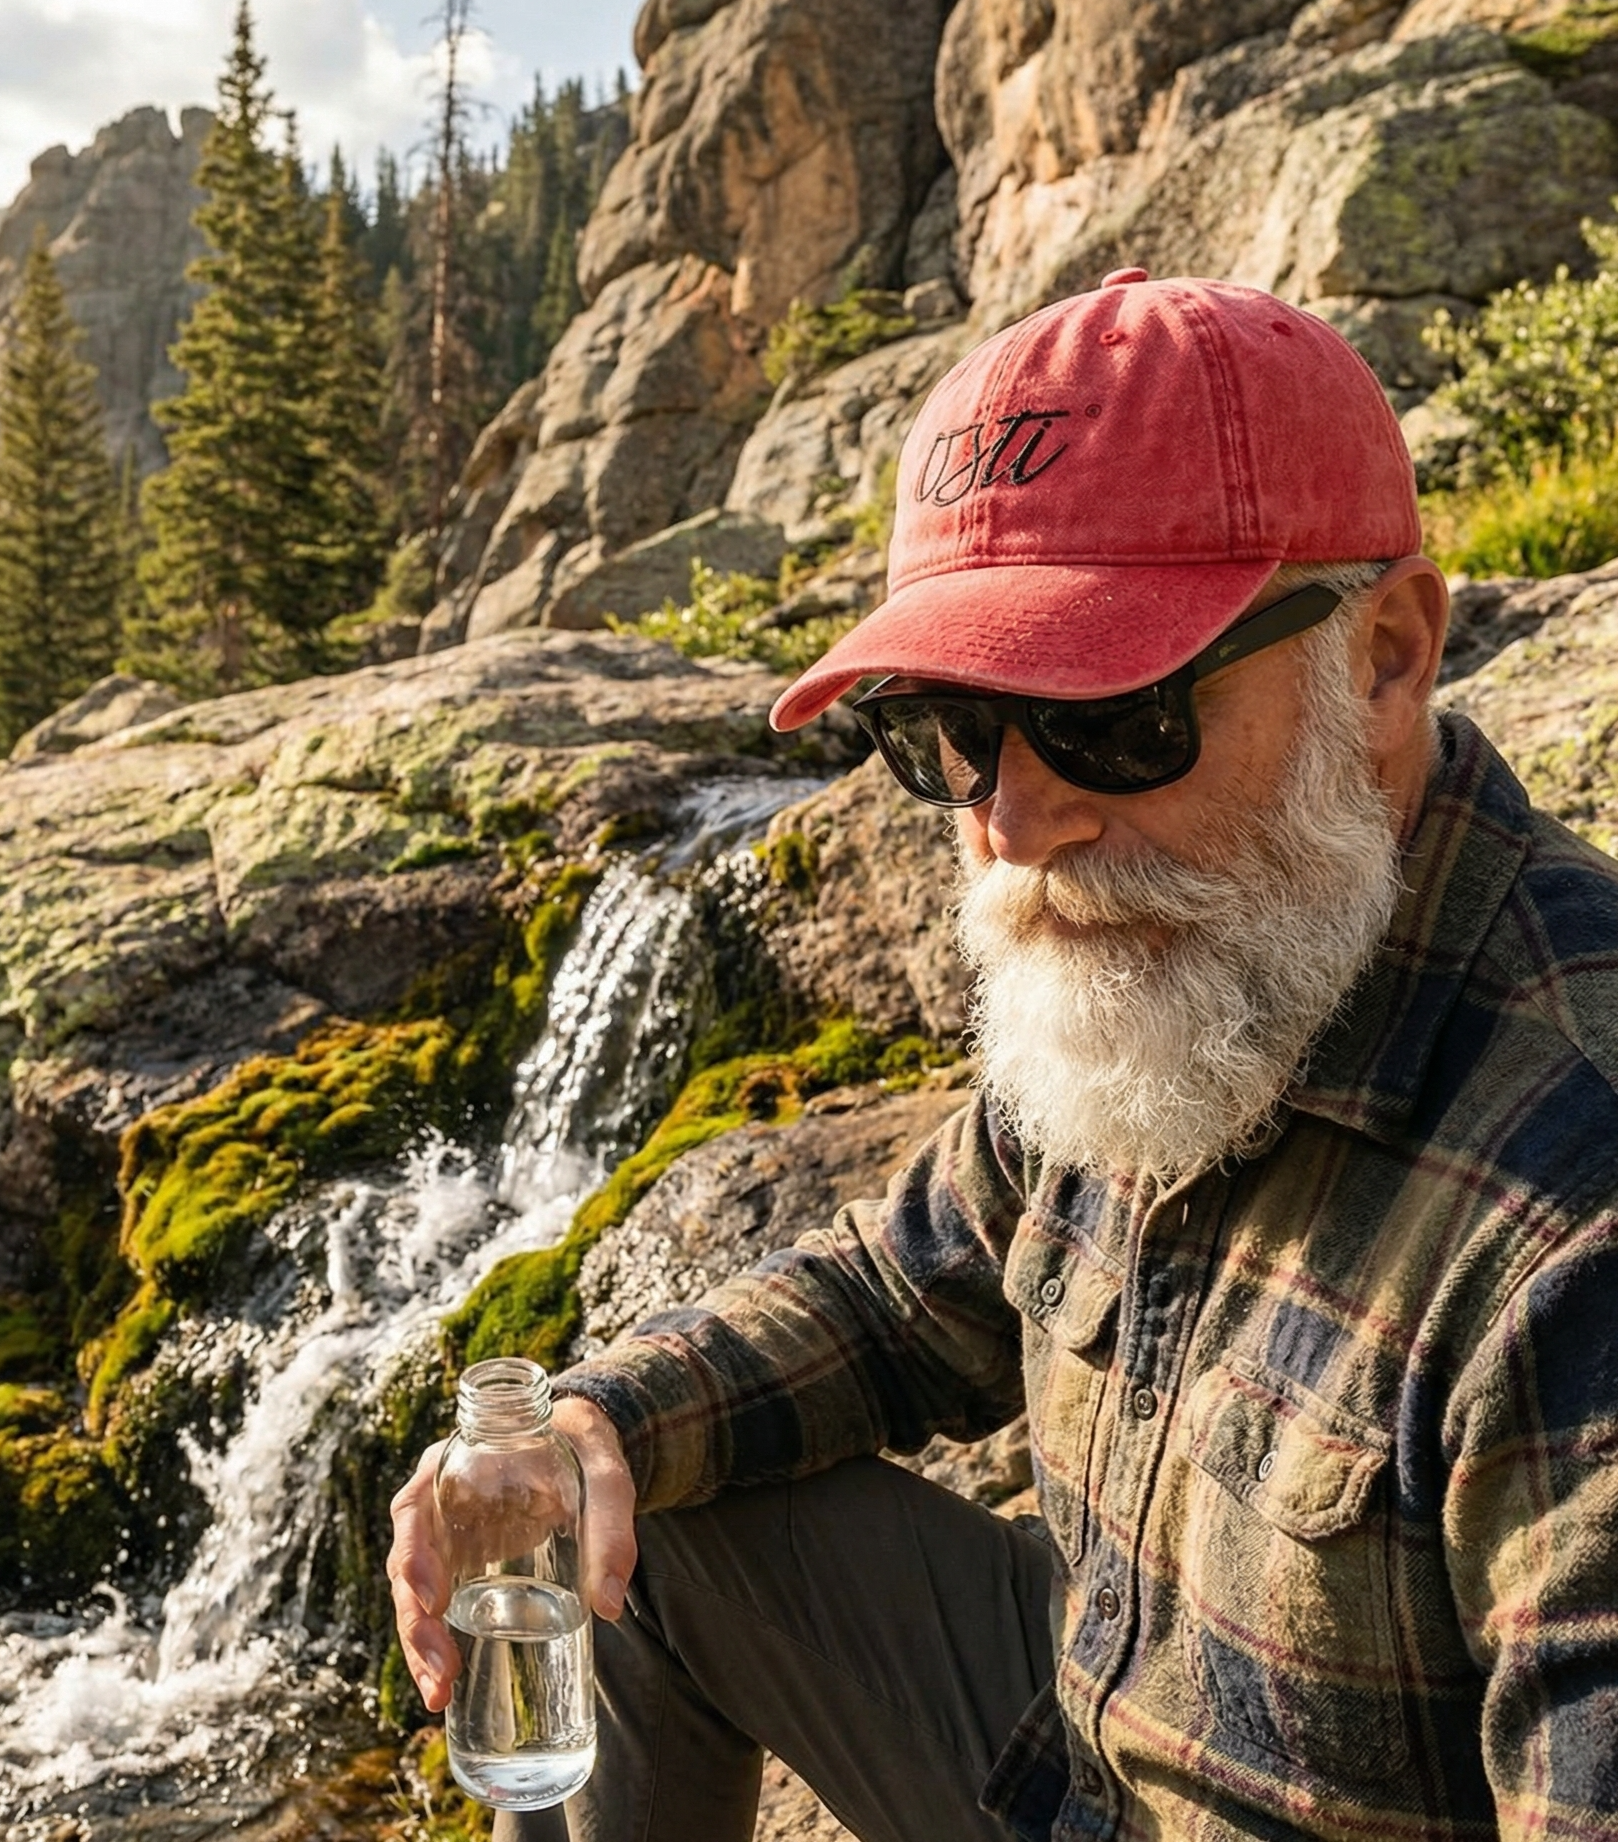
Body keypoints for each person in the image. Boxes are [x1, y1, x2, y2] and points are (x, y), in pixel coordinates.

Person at [387, 269, 1618, 1839]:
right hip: (1078, 1771)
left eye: (1119, 711)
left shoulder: (1573, 1205)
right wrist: (592, 1427)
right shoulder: (1196, 965)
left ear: (1386, 653)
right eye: (953, 729)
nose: (1014, 820)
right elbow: (900, 1291)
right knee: (631, 1517)